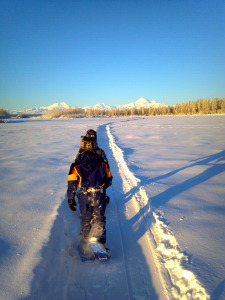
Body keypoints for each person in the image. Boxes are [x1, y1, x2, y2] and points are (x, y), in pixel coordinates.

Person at [67, 130, 113, 250]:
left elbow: (72, 181)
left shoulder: (76, 163)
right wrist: (103, 186)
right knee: (99, 218)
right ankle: (99, 243)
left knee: (85, 218)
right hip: (99, 192)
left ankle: (84, 244)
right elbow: (108, 178)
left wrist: (70, 198)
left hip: (84, 193)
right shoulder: (103, 161)